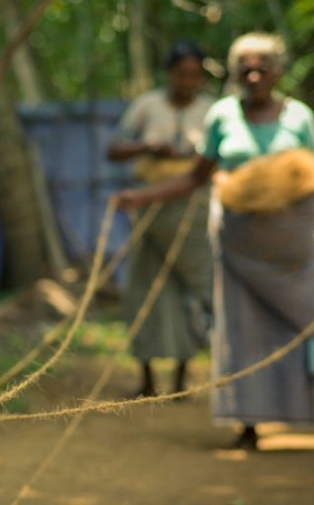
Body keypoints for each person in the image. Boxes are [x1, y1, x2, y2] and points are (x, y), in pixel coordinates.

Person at [115, 32, 314, 449]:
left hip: (294, 250)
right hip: (239, 248)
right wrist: (141, 197)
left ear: (277, 72)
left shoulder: (300, 117)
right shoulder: (222, 115)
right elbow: (195, 177)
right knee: (243, 334)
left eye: (262, 67)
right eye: (245, 68)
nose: (253, 75)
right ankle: (249, 429)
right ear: (236, 73)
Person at [107, 40, 215, 398]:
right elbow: (114, 149)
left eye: (194, 75)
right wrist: (148, 147)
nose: (187, 81)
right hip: (148, 205)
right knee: (143, 286)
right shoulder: (147, 105)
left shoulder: (212, 110)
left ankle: (183, 378)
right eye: (181, 73)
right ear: (169, 73)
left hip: (194, 208)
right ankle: (148, 380)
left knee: (199, 287)